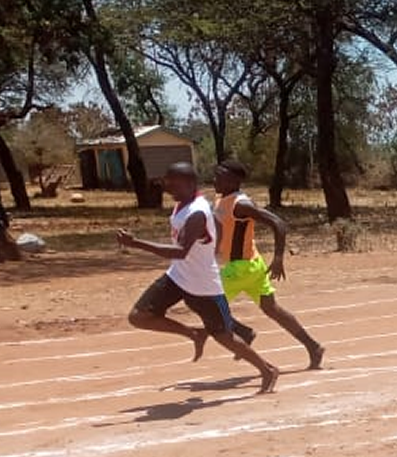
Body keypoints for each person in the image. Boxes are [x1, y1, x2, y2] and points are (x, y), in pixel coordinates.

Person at [117, 162, 280, 393]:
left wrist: (136, 244)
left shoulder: (196, 213)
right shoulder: (185, 203)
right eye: (167, 182)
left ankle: (267, 370)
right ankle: (193, 333)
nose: (168, 186)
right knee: (139, 316)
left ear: (189, 184)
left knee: (224, 336)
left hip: (204, 285)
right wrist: (213, 247)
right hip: (178, 276)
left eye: (173, 183)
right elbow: (217, 227)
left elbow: (180, 252)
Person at [211, 159, 326, 369]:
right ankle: (313, 346)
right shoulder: (222, 200)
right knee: (271, 308)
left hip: (238, 268)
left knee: (208, 306)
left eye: (219, 176)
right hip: (251, 265)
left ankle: (244, 332)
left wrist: (279, 258)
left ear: (234, 180)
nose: (214, 179)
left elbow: (278, 223)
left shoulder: (241, 204)